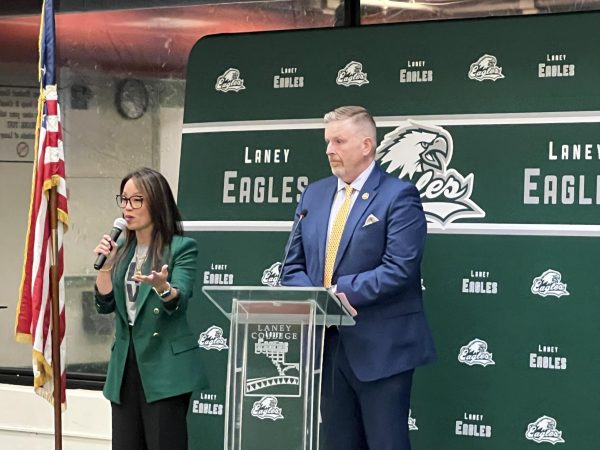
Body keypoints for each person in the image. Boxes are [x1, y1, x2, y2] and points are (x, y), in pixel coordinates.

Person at [281, 106, 436, 450]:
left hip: (382, 350)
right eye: (327, 141)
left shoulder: (398, 196)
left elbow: (400, 268)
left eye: (338, 141)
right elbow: (290, 269)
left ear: (366, 145)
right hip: (328, 350)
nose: (329, 150)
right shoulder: (313, 195)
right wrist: (316, 299)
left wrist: (334, 293)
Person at [93, 167, 204, 450]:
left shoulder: (180, 248)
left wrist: (162, 287)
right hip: (125, 367)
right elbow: (104, 303)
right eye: (124, 199)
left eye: (136, 200)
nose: (127, 208)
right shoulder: (122, 250)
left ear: (156, 203)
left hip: (164, 368)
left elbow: (179, 298)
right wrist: (106, 265)